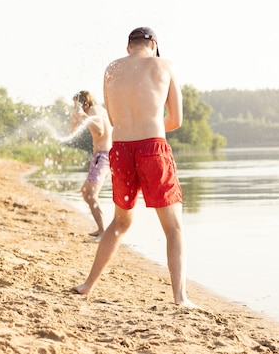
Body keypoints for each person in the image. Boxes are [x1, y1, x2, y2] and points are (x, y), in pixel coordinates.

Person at [73, 27, 196, 307]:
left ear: (129, 47)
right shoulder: (164, 65)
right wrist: (150, 128)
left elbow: (114, 119)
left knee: (120, 222)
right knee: (173, 227)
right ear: (152, 45)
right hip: (152, 148)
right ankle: (180, 298)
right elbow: (176, 119)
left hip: (122, 151)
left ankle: (87, 284)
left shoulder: (111, 69)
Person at [70, 91, 112, 239]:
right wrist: (77, 117)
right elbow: (73, 131)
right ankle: (101, 228)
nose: (75, 109)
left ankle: (102, 231)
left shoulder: (94, 110)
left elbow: (100, 131)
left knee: (91, 194)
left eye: (76, 106)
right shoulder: (92, 112)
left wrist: (83, 116)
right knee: (85, 192)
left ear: (84, 104)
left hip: (103, 156)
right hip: (100, 156)